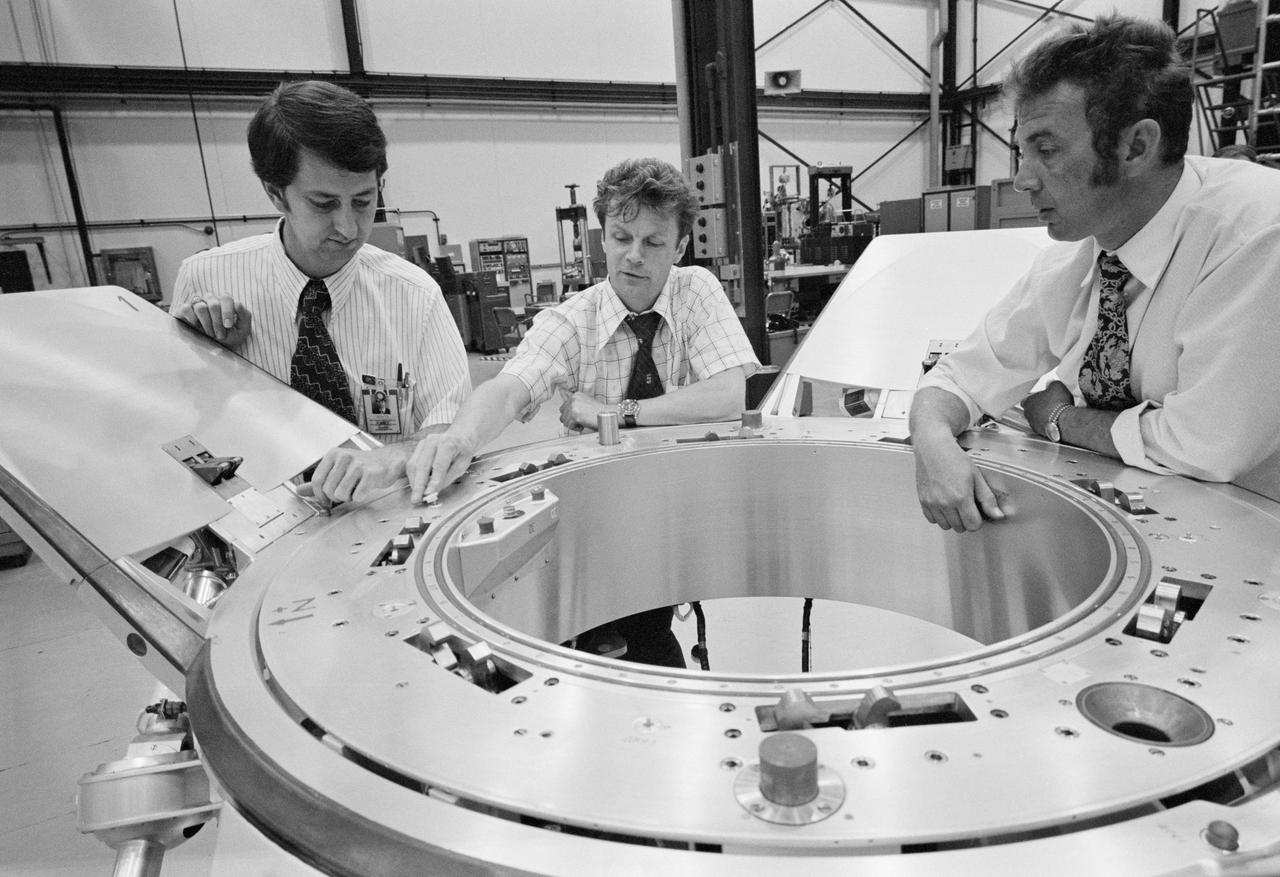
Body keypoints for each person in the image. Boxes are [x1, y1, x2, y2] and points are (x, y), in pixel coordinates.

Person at [909, 14, 1280, 533]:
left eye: (1047, 149)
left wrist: (1058, 419)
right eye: (1021, 151)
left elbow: (1204, 447)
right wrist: (930, 442)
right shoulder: (1081, 254)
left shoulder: (1255, 236)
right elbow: (964, 375)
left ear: (1136, 147)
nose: (1020, 180)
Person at [407, 156, 761, 666]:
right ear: (601, 236)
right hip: (591, 530)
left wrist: (614, 412)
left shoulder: (695, 292)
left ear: (681, 246)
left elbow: (728, 397)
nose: (633, 256)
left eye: (654, 242)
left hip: (671, 516)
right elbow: (509, 388)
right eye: (620, 238)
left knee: (655, 650)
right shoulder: (573, 321)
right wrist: (459, 439)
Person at [171, 80, 470, 506]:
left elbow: (452, 430)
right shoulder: (207, 282)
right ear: (276, 193)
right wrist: (218, 370)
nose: (348, 228)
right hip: (262, 528)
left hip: (382, 527)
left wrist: (393, 456)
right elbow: (184, 442)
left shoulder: (413, 295)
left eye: (364, 201)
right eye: (324, 204)